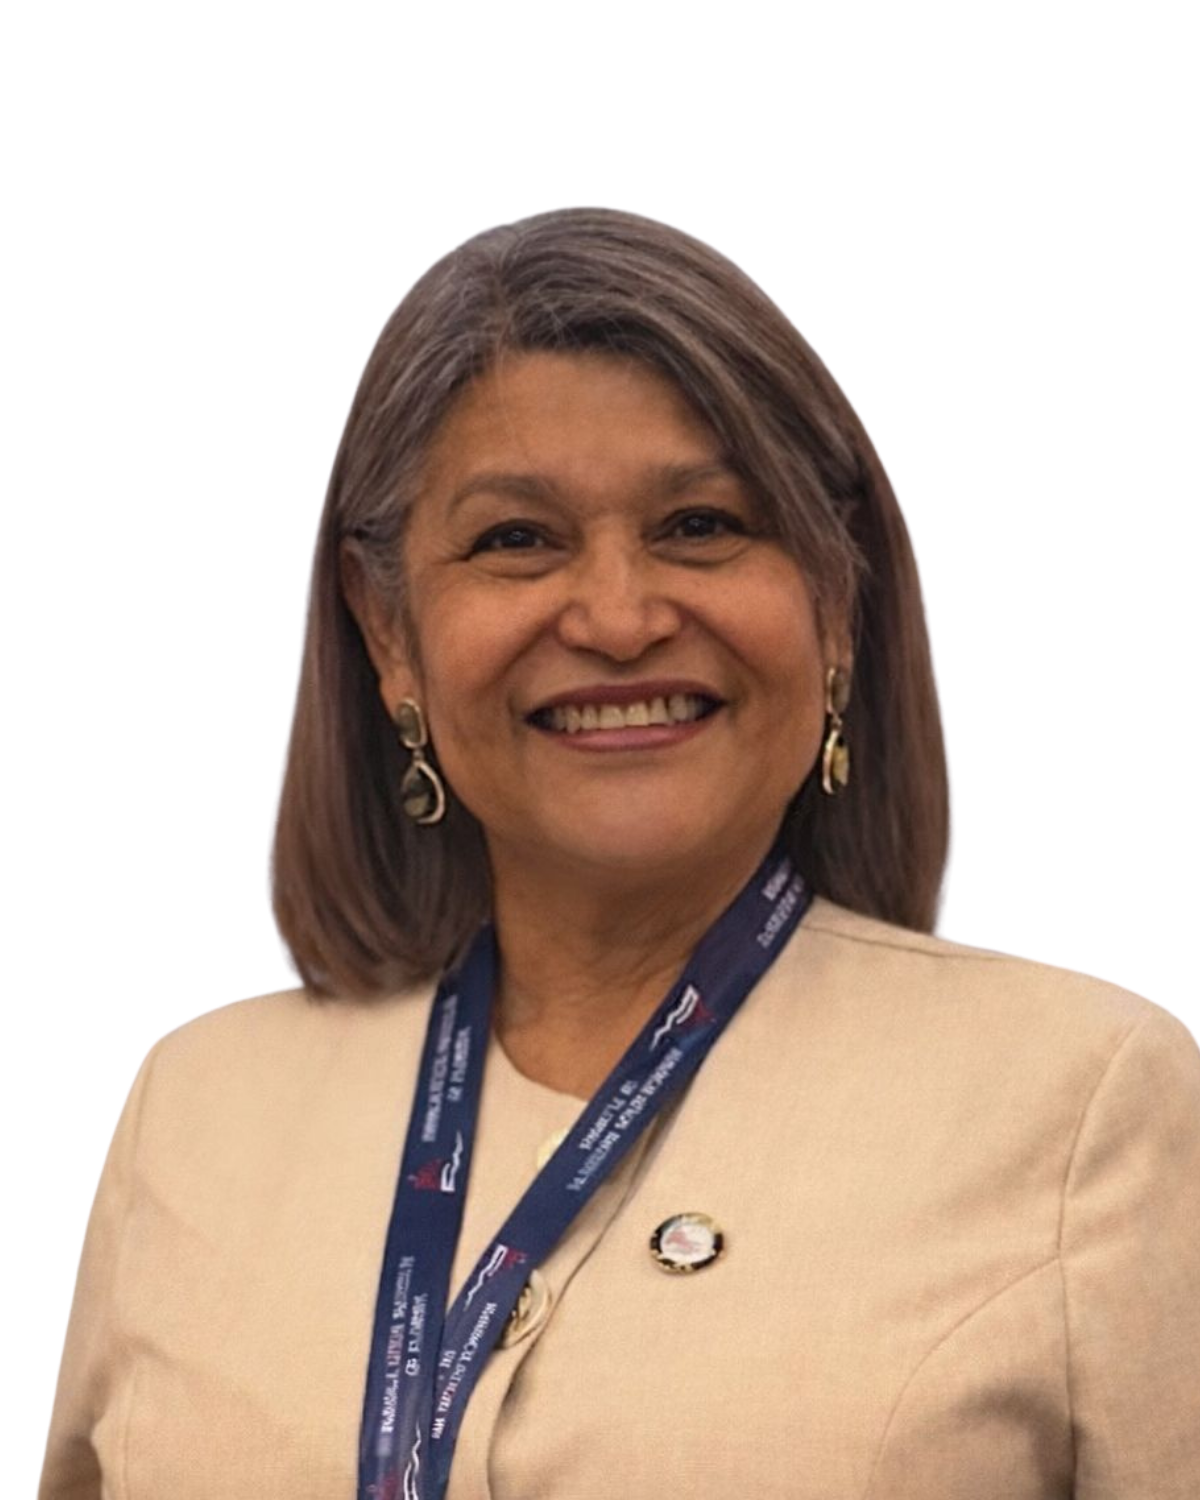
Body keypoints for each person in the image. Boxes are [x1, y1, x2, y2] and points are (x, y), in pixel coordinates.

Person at [38, 207, 1199, 1499]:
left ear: (836, 603)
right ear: (389, 635)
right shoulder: (195, 1111)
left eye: (701, 524)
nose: (618, 616)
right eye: (516, 539)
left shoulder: (1087, 1103)